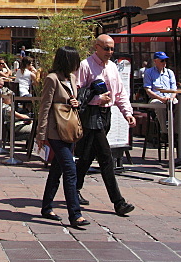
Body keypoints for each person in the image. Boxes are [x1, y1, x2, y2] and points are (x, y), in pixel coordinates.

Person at [75, 34, 136, 217]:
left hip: (106, 114)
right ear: (97, 47)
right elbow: (78, 94)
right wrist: (96, 99)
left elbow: (120, 92)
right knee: (105, 157)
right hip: (91, 115)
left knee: (87, 156)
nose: (109, 52)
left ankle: (74, 188)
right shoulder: (85, 65)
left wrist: (128, 113)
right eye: (106, 48)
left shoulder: (112, 68)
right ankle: (118, 202)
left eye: (111, 49)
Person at [37, 46, 88, 228]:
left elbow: (73, 102)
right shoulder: (52, 79)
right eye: (75, 60)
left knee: (56, 170)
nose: (77, 64)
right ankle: (75, 214)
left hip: (69, 130)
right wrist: (41, 135)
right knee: (70, 170)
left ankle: (46, 206)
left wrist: (76, 102)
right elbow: (45, 107)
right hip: (55, 131)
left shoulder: (72, 78)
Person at [143, 51, 178, 138]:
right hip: (156, 98)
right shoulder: (149, 72)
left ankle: (176, 132)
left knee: (180, 106)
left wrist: (171, 98)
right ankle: (164, 132)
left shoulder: (170, 72)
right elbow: (148, 90)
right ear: (155, 61)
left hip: (170, 97)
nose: (164, 63)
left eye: (165, 60)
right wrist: (161, 98)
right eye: (162, 61)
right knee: (159, 106)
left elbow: (174, 89)